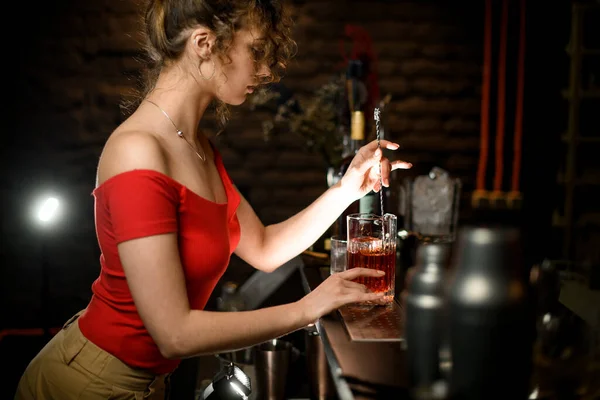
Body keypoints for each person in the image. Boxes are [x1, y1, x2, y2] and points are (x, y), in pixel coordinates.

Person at [15, 0, 412, 399]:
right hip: (87, 382)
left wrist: (347, 189)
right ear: (204, 43)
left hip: (147, 384)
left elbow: (265, 248)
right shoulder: (138, 150)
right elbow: (174, 334)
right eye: (255, 51)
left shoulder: (197, 146)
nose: (267, 70)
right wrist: (307, 308)